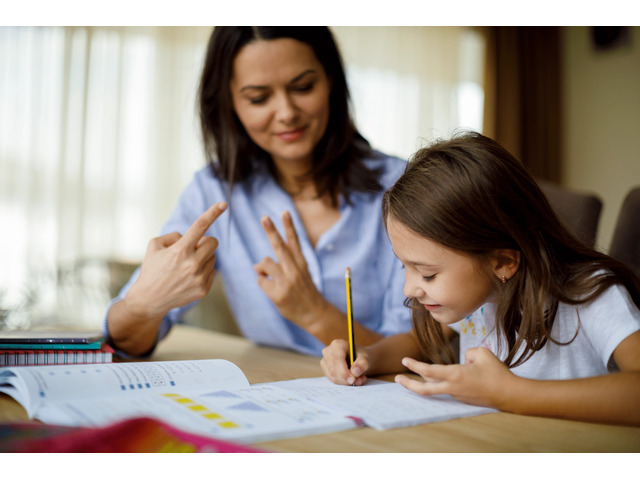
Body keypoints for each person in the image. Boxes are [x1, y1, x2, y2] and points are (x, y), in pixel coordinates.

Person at [103, 27, 411, 357]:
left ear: (332, 81)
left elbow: (423, 346)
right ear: (229, 102)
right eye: (258, 98)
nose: (287, 112)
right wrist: (142, 304)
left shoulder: (403, 185)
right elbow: (124, 342)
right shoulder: (214, 192)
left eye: (304, 87)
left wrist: (314, 314)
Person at [321, 131, 640, 426]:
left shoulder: (590, 293)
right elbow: (415, 343)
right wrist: (369, 356)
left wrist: (512, 394)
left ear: (502, 262)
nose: (410, 288)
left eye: (428, 274)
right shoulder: (476, 299)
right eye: (405, 267)